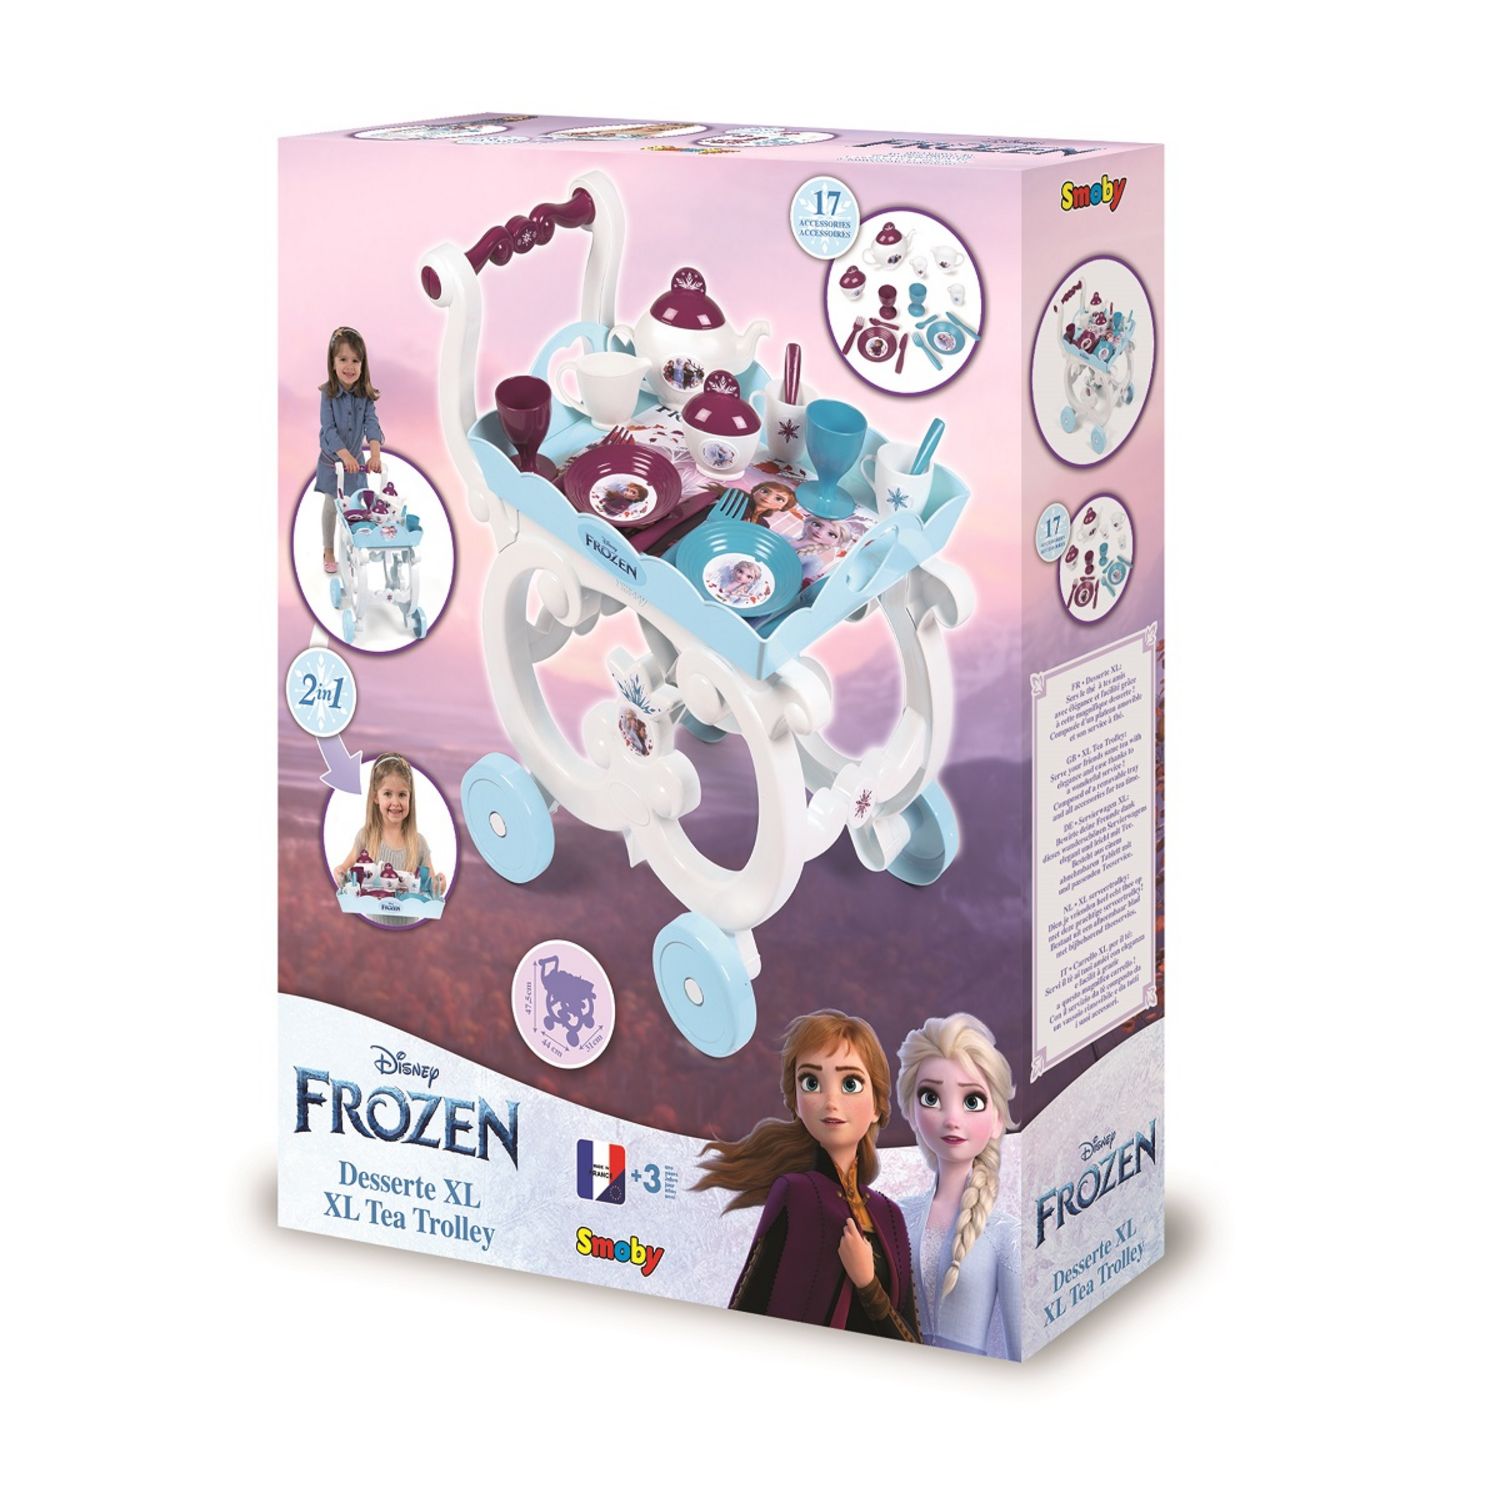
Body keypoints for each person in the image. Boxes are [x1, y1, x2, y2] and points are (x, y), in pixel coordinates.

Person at [695, 1010, 919, 1341]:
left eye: (850, 1084)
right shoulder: (796, 1194)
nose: (830, 1101)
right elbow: (749, 1305)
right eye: (811, 1083)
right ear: (797, 1103)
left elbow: (913, 1343)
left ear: (876, 1106)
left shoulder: (890, 1216)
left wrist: (868, 1284)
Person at [895, 1013, 1022, 1359]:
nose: (952, 1119)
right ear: (911, 1111)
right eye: (930, 1097)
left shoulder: (1005, 1236)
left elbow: (1020, 1352)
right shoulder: (896, 1216)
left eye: (972, 1102)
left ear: (997, 1120)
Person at [333, 754, 446, 926]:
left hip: (409, 933)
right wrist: (340, 873)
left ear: (410, 797)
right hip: (372, 930)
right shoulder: (365, 837)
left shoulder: (419, 843)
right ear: (375, 797)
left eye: (402, 794)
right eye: (387, 794)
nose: (395, 802)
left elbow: (432, 888)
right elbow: (344, 872)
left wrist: (440, 884)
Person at [317, 327, 384, 574]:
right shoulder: (328, 395)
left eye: (355, 360)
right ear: (333, 363)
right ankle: (328, 549)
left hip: (356, 463)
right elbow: (329, 430)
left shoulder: (364, 395)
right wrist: (343, 455)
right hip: (332, 462)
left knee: (357, 505)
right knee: (332, 504)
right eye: (343, 359)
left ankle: (356, 545)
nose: (349, 366)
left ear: (362, 365)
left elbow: (371, 424)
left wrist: (374, 454)